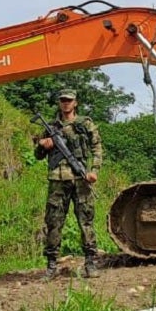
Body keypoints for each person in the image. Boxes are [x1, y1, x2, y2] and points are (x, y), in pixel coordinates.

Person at [34, 88, 104, 280]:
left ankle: (90, 262)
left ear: (75, 103)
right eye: (63, 100)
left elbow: (97, 148)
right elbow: (38, 156)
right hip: (57, 180)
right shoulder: (50, 127)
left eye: (69, 100)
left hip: (80, 179)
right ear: (59, 103)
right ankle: (51, 266)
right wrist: (43, 145)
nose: (66, 103)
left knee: (86, 221)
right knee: (53, 222)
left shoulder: (84, 124)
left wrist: (94, 171)